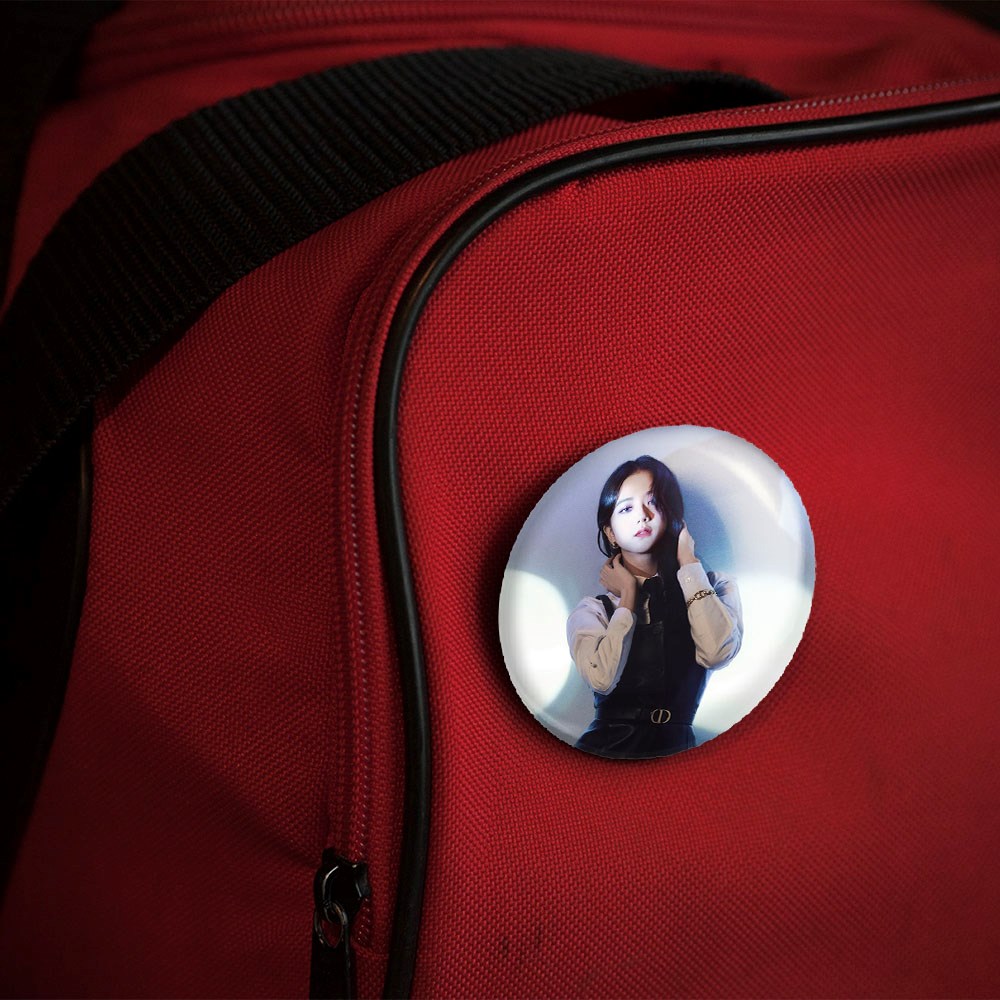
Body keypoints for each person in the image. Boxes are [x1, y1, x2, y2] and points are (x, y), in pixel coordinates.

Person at [566, 456, 742, 759]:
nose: (643, 516)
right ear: (610, 532)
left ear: (672, 516)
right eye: (626, 508)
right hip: (606, 753)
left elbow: (717, 653)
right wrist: (629, 596)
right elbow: (602, 679)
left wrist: (688, 562)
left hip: (678, 751)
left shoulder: (715, 587)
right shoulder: (593, 611)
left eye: (654, 502)